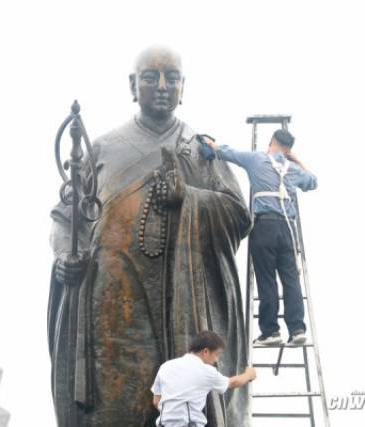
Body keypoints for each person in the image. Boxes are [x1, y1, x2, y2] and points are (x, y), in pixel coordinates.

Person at [48, 46, 252, 426]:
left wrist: (188, 198)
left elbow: (238, 214)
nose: (161, 86)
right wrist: (65, 255)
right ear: (132, 85)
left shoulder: (201, 151)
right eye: (150, 77)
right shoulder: (103, 149)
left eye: (171, 78)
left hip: (185, 307)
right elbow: (66, 216)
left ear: (182, 87)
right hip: (112, 310)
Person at [205, 130, 317, 345]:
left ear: (271, 142)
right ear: (288, 150)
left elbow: (228, 153)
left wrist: (211, 143)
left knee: (267, 279)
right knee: (291, 280)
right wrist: (299, 161)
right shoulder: (292, 169)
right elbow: (313, 181)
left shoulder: (257, 159)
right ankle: (297, 329)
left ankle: (270, 332)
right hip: (288, 229)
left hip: (264, 226)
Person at [151, 330, 256, 427]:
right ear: (205, 351)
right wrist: (248, 375)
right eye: (216, 354)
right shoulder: (206, 371)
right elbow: (232, 383)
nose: (216, 360)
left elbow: (156, 401)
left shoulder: (166, 366)